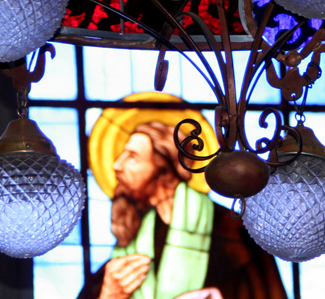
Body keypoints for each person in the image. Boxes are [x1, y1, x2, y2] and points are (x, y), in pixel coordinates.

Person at [81, 93, 287, 299]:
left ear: (163, 168)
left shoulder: (233, 231)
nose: (117, 166)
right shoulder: (132, 240)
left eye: (132, 157)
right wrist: (109, 295)